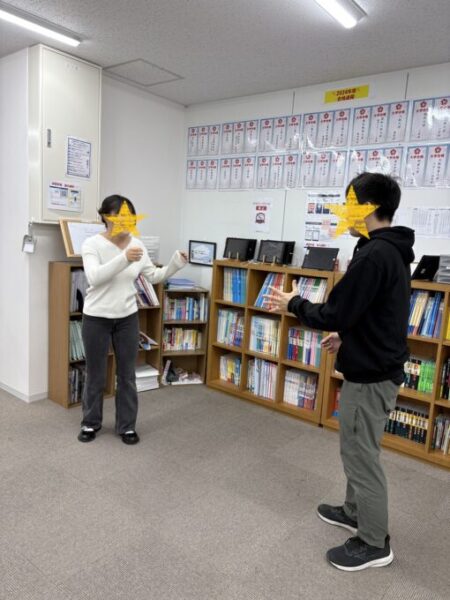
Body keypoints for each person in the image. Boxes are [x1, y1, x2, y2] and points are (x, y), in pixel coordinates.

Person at [265, 172, 414, 571]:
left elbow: (335, 311)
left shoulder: (375, 254)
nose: (342, 212)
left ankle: (374, 542)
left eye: (349, 204)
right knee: (356, 447)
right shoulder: (388, 249)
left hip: (371, 376)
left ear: (368, 208)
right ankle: (353, 510)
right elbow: (376, 312)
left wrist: (294, 303)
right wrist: (347, 337)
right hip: (373, 364)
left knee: (361, 455)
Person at [78, 194, 187, 445]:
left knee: (127, 375)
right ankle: (90, 422)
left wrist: (175, 263)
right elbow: (95, 277)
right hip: (96, 318)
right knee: (96, 374)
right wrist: (124, 257)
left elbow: (154, 276)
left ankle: (126, 426)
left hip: (127, 317)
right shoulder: (92, 244)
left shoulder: (137, 244)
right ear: (105, 217)